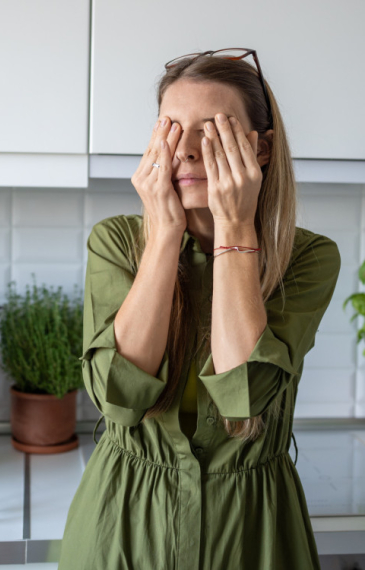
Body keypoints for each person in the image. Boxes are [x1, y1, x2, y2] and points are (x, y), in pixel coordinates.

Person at [57, 49, 342, 570]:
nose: (185, 151)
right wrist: (163, 236)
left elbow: (244, 396)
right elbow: (119, 397)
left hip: (253, 531)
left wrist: (235, 229)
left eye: (212, 130)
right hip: (122, 522)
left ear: (261, 148)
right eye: (172, 128)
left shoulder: (308, 258)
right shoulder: (117, 242)